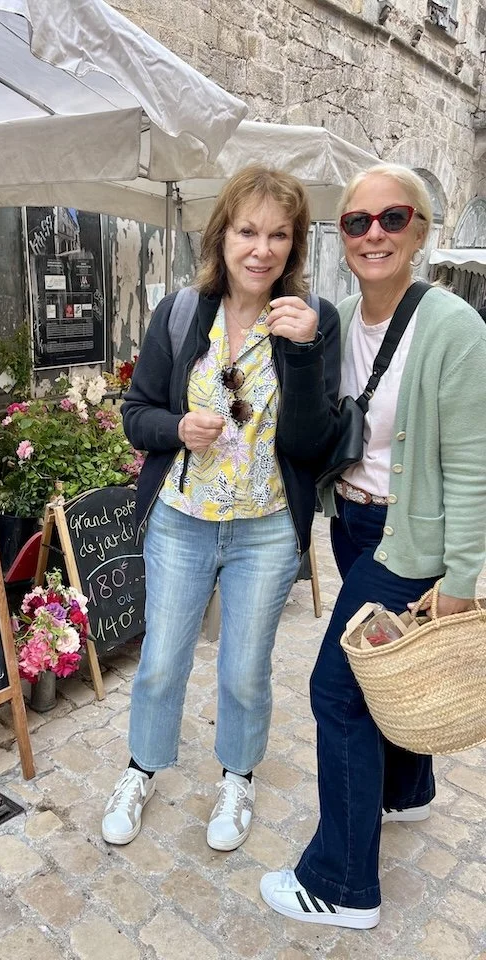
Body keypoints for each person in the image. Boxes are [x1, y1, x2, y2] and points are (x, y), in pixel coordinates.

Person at [261, 164, 486, 928]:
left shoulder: (453, 327)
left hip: (408, 540)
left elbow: (473, 466)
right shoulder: (339, 321)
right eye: (357, 222)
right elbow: (319, 430)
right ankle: (407, 790)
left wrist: (462, 580)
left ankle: (342, 884)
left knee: (337, 691)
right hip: (352, 523)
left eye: (393, 218)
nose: (374, 234)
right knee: (392, 667)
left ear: (420, 230)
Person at [100, 164, 340, 852]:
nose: (261, 249)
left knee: (243, 670)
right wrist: (177, 427)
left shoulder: (312, 320)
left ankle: (238, 776)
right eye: (247, 232)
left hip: (266, 529)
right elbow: (136, 413)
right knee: (161, 660)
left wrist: (303, 353)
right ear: (222, 236)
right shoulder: (181, 313)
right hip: (181, 521)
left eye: (278, 235)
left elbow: (313, 442)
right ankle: (142, 768)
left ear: (294, 245)